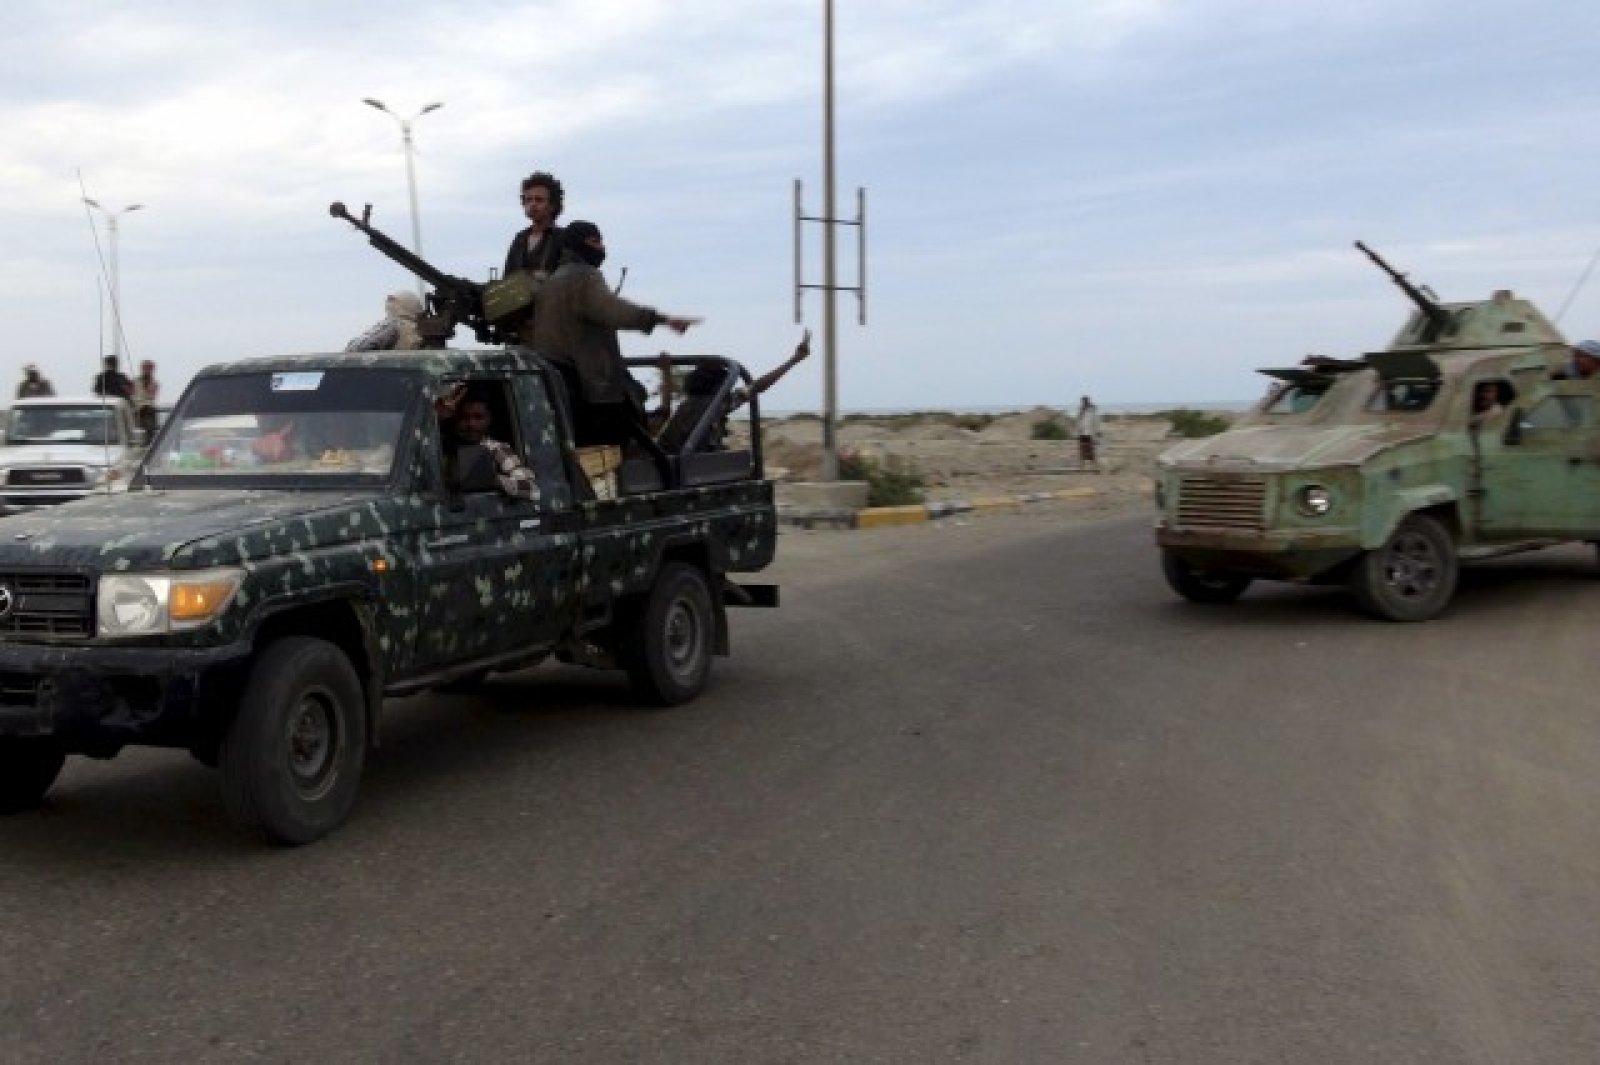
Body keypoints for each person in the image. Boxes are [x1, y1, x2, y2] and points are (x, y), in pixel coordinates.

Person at [528, 220, 698, 447]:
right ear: (580, 244)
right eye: (595, 241)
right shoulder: (583, 276)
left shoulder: (550, 283)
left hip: (560, 389)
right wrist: (660, 319)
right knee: (611, 455)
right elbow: (612, 310)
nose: (601, 247)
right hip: (591, 392)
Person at [656, 331, 811, 452]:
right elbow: (757, 387)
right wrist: (794, 360)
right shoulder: (717, 404)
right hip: (692, 467)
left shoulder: (687, 405)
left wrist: (666, 373)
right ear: (719, 386)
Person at [433, 384, 538, 500]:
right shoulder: (440, 446)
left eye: (478, 417)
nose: (471, 424)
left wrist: (492, 479)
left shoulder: (496, 449)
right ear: (455, 420)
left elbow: (532, 490)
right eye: (463, 417)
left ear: (489, 420)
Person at [503, 171, 566, 280]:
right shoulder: (520, 239)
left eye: (539, 200)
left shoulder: (563, 238)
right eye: (528, 200)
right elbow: (507, 278)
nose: (532, 204)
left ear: (552, 205)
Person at [345, 291, 427, 352]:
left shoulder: (393, 325)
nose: (389, 305)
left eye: (392, 302)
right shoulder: (418, 329)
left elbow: (355, 349)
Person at [131, 360, 160, 434]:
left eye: (150, 369)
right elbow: (132, 396)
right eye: (146, 368)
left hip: (149, 411)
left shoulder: (154, 384)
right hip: (137, 410)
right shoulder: (134, 382)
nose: (148, 371)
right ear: (142, 369)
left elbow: (151, 396)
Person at [1075, 395, 1103, 472]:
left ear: (1087, 401)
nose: (1083, 403)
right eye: (1082, 401)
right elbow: (1078, 422)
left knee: (1091, 451)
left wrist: (1098, 431)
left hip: (1090, 433)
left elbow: (1097, 421)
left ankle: (1094, 467)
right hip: (1082, 433)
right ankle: (1081, 467)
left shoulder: (1092, 411)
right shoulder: (1080, 411)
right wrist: (1077, 432)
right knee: (1082, 451)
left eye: (1084, 401)